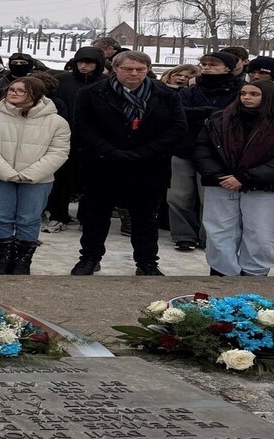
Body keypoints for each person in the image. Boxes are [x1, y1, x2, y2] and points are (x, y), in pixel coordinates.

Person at [70, 51, 185, 276]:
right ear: (115, 69)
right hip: (103, 165)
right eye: (127, 69)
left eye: (140, 69)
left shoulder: (166, 95)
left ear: (148, 70)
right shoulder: (91, 93)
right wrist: (110, 151)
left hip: (148, 166)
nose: (134, 73)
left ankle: (147, 262)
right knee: (96, 216)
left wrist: (144, 152)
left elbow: (177, 128)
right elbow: (83, 127)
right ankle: (90, 258)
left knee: (145, 218)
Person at [194, 80, 274, 276]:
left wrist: (245, 178)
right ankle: (222, 273)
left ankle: (254, 275)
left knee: (261, 235)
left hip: (265, 187)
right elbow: (203, 149)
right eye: (243, 93)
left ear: (268, 97)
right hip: (222, 184)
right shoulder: (219, 121)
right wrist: (219, 176)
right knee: (219, 232)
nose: (246, 97)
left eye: (254, 94)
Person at [0, 77, 70, 275]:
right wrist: (8, 174)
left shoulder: (57, 122)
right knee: (0, 216)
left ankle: (22, 261)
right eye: (11, 89)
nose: (13, 93)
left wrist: (29, 174)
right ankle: (1, 259)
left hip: (38, 179)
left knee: (29, 218)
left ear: (35, 94)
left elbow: (58, 152)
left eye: (20, 90)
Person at [169, 52, 243, 253]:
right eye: (204, 64)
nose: (207, 67)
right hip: (185, 148)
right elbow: (180, 113)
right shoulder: (190, 90)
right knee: (178, 195)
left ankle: (208, 235)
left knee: (209, 197)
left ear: (227, 68)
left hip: (218, 151)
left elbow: (234, 117)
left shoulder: (240, 90)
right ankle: (183, 235)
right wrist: (209, 112)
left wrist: (203, 113)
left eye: (213, 64)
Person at [45, 46, 109, 233]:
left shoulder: (108, 82)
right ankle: (58, 215)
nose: (83, 66)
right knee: (61, 179)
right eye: (80, 62)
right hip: (65, 137)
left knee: (92, 181)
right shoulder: (62, 81)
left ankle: (87, 218)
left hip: (95, 139)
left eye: (89, 63)